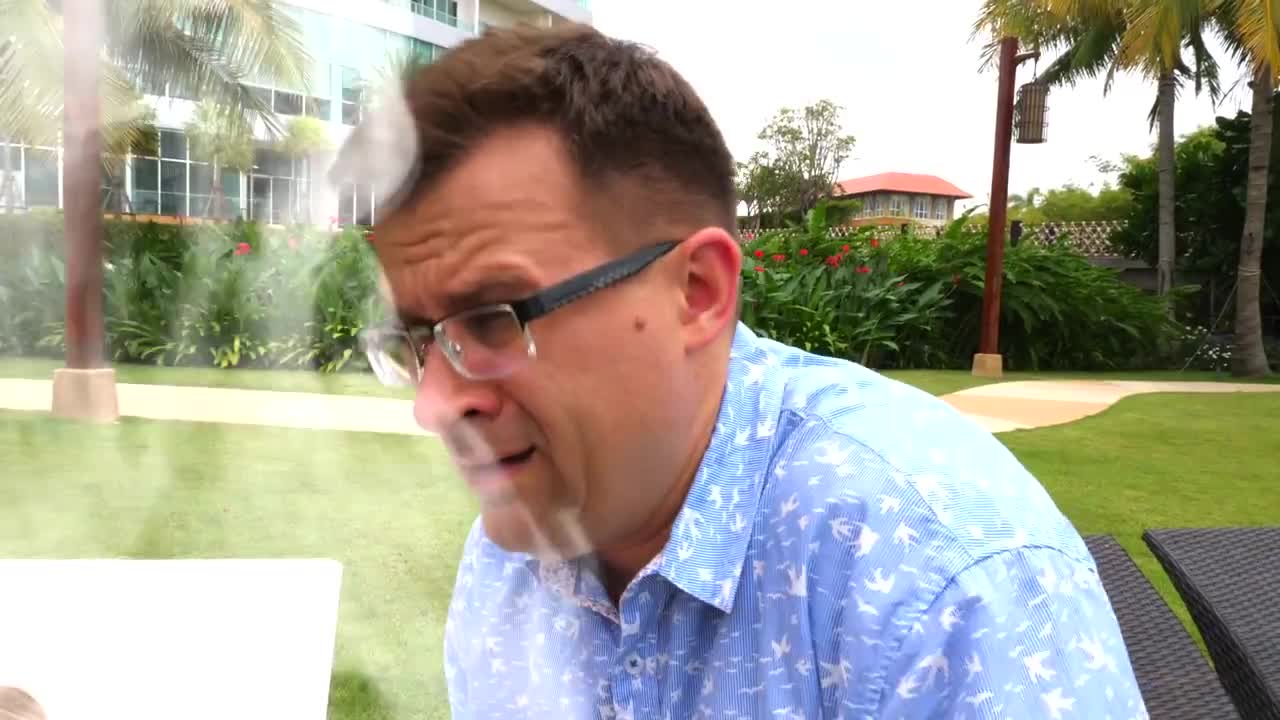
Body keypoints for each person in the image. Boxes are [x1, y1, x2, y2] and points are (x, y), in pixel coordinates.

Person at [333, 23, 1148, 720]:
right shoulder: (514, 557)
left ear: (698, 293)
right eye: (417, 341)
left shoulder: (937, 578)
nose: (436, 405)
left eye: (492, 320)